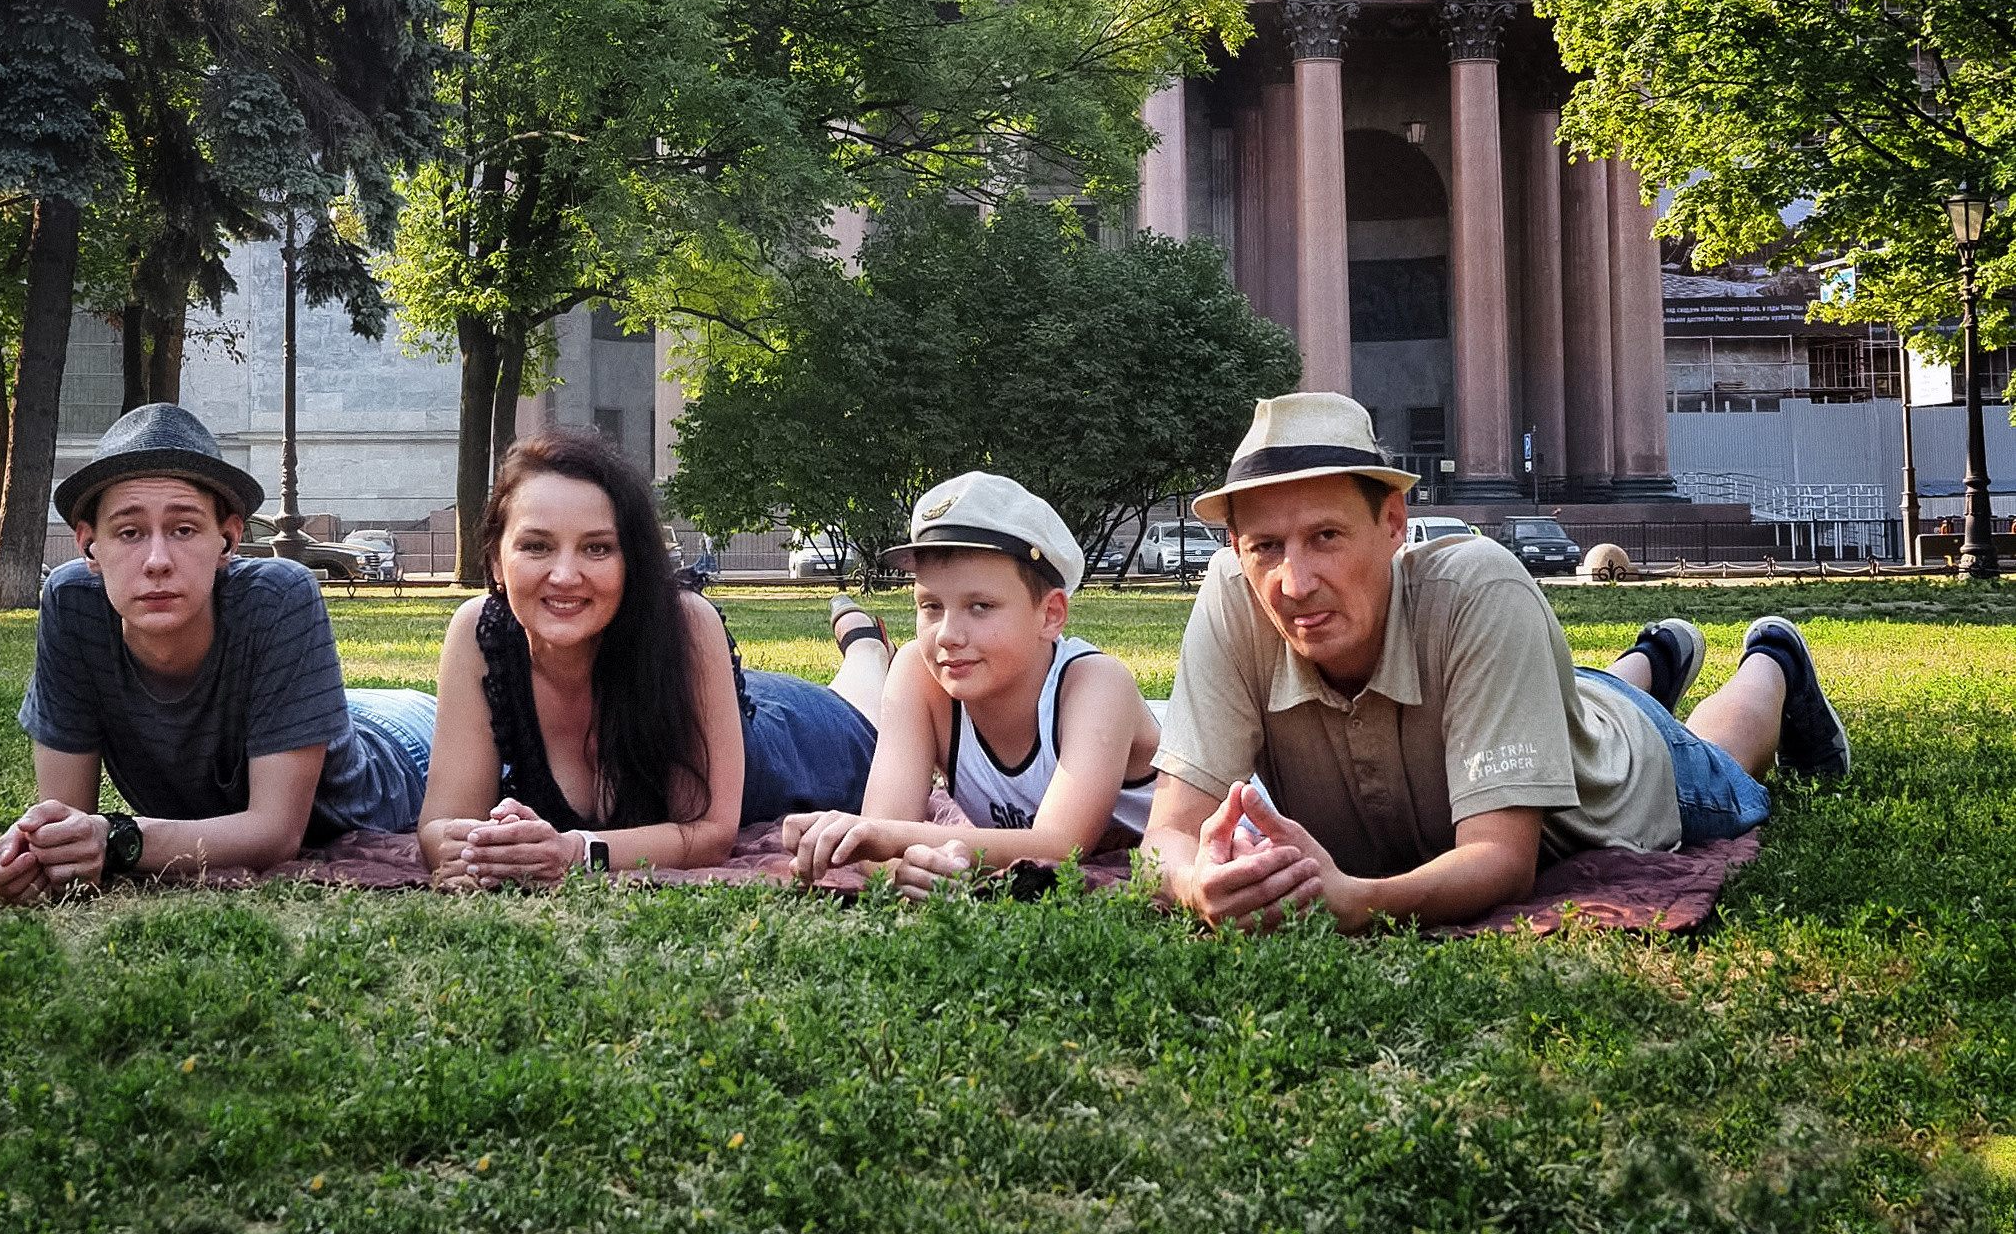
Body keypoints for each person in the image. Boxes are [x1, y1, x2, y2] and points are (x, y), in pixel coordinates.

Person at [1144, 391, 1849, 935]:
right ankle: (1655, 657)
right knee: (1580, 693)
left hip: (1618, 767)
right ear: (1235, 546)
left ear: (1393, 523)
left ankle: (1774, 660)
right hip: (1534, 701)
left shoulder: (1479, 587)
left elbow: (1502, 862)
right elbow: (1166, 836)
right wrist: (1194, 882)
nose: (1294, 585)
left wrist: (1361, 901)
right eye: (1265, 546)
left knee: (1717, 756)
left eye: (1326, 536)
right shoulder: (1231, 600)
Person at [0, 404, 437, 902]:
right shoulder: (73, 604)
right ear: (90, 546)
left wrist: (116, 839)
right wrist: (41, 850)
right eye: (129, 532)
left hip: (406, 744)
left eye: (183, 529)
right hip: (318, 716)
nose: (157, 561)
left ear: (228, 540)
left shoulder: (280, 594)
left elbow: (277, 834)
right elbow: (66, 819)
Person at [419, 429, 889, 886]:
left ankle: (866, 645)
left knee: (865, 706)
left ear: (632, 562)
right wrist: (476, 850)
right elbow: (440, 826)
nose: (564, 575)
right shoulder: (480, 634)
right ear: (497, 562)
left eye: (597, 548)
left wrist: (575, 853)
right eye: (536, 546)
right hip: (722, 699)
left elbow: (709, 835)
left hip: (796, 737)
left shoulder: (687, 623)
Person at [786, 472, 1163, 897]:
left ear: (1051, 614)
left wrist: (892, 840)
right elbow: (883, 832)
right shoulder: (919, 673)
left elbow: (1060, 847)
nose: (947, 634)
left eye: (980, 606)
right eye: (930, 606)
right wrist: (908, 869)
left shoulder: (1096, 684)